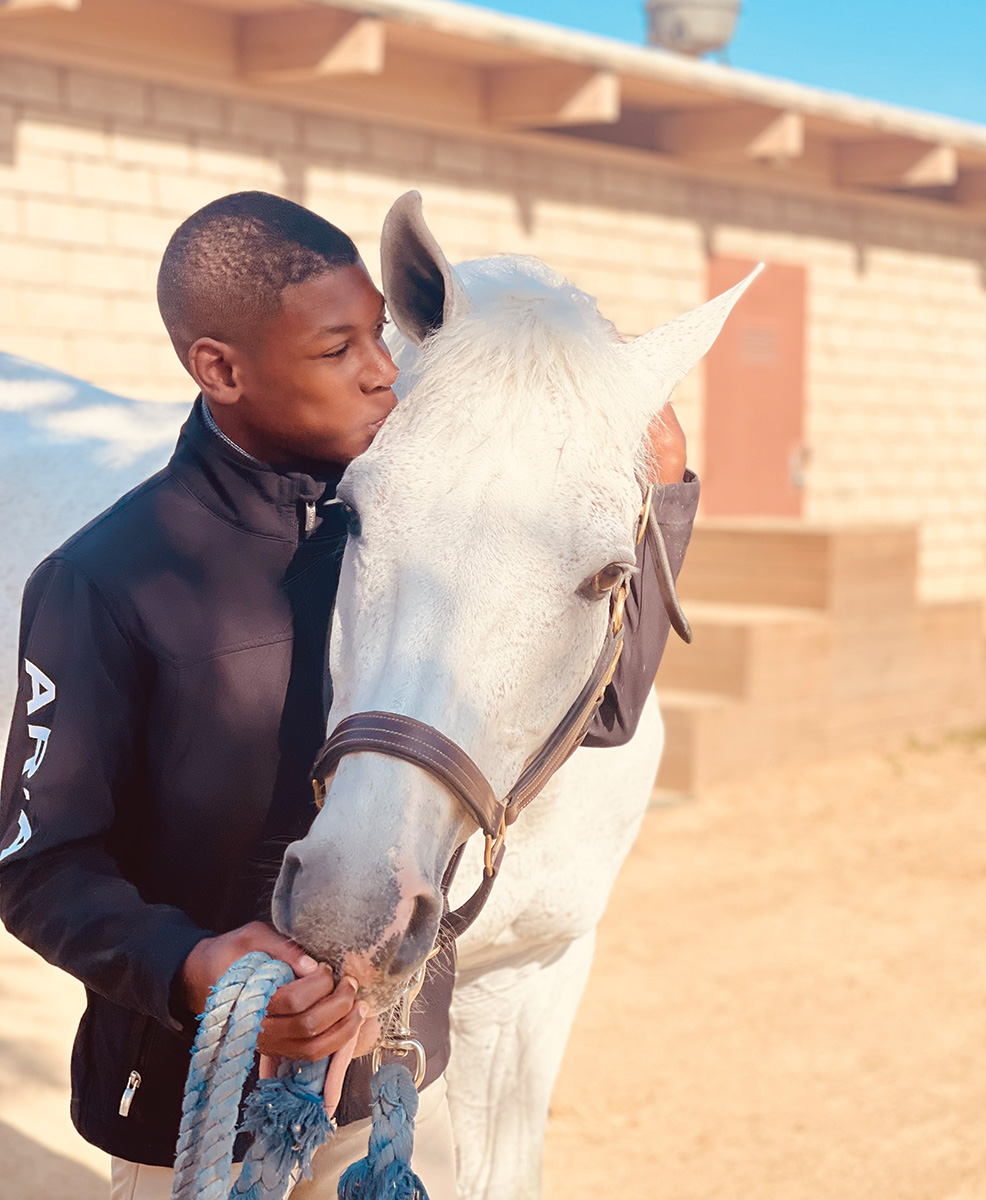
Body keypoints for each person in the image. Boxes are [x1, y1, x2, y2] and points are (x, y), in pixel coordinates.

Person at [0, 191, 699, 1200]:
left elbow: (597, 714)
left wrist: (660, 507)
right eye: (339, 349)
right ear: (221, 369)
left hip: (378, 1089)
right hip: (188, 1096)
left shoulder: (396, 522)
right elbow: (37, 859)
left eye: (380, 332)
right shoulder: (105, 579)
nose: (386, 368)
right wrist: (191, 968)